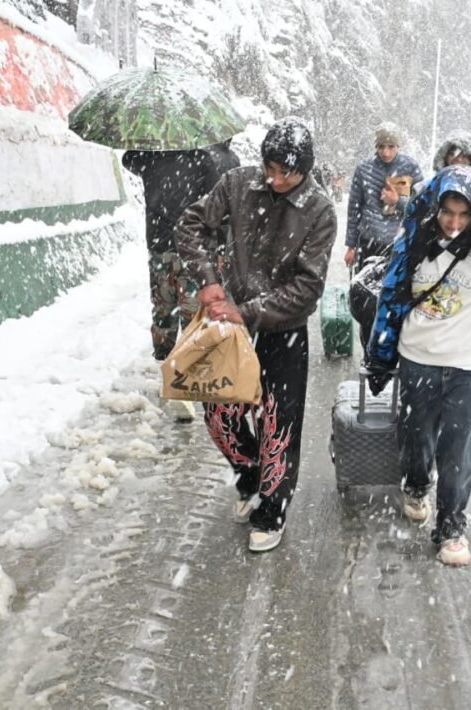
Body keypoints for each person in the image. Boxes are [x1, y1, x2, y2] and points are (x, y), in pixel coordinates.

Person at [173, 117, 336, 553]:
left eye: (287, 172)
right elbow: (191, 225)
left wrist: (247, 312)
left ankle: (272, 508)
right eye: (270, 167)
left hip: (282, 329)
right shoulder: (238, 184)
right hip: (229, 328)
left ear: (304, 170)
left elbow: (306, 289)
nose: (276, 178)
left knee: (278, 423)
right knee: (218, 412)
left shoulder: (318, 211)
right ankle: (249, 478)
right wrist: (207, 279)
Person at [364, 165, 471, 567]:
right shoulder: (415, 241)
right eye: (448, 213)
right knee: (416, 436)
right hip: (418, 357)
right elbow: (391, 296)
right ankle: (416, 484)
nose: (455, 223)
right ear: (435, 208)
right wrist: (381, 352)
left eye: (464, 214)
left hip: (466, 365)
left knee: (458, 448)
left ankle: (452, 527)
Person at [122, 141, 239, 363]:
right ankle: (190, 363)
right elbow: (217, 206)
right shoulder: (201, 159)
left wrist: (148, 143)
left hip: (160, 245)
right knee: (192, 311)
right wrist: (221, 245)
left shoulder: (150, 158)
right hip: (193, 247)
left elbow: (128, 158)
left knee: (162, 307)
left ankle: (163, 359)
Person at [344, 122, 423, 271]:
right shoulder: (363, 169)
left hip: (399, 244)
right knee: (363, 290)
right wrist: (351, 246)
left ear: (398, 146)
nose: (386, 152)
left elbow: (422, 206)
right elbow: (353, 209)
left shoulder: (411, 167)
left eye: (391, 146)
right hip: (368, 243)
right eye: (381, 147)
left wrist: (398, 201)